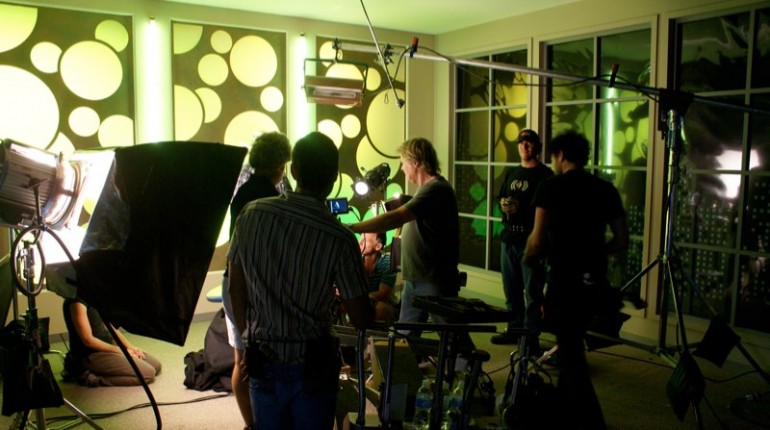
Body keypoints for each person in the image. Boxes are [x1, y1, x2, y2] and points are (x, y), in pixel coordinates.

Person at [228, 131, 374, 430]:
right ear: (333, 178)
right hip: (313, 364)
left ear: (293, 171)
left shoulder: (251, 215)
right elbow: (361, 318)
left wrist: (246, 336)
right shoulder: (340, 237)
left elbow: (234, 286)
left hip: (263, 356)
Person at [524, 131, 629, 430]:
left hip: (563, 279)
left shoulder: (550, 187)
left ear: (560, 156)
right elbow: (621, 240)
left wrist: (530, 258)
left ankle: (591, 422)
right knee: (571, 346)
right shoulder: (605, 189)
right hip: (593, 281)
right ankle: (565, 415)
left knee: (571, 355)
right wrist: (595, 252)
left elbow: (536, 241)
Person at [348, 137, 460, 335]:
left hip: (431, 278)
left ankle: (469, 357)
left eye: (403, 163)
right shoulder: (425, 191)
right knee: (405, 336)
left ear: (415, 162)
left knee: (451, 334)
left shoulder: (435, 189)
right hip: (416, 278)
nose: (402, 168)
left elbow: (397, 218)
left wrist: (353, 227)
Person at [223, 131, 291, 430]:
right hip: (252, 288)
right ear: (279, 163)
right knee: (260, 363)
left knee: (242, 359)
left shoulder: (244, 191)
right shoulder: (270, 198)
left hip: (233, 282)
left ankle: (250, 424)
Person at [492, 129, 553, 349]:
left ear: (537, 146)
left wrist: (522, 208)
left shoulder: (545, 175)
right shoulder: (512, 172)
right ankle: (514, 329)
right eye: (521, 142)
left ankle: (530, 338)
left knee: (533, 292)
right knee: (511, 290)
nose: (524, 145)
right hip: (509, 237)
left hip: (531, 239)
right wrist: (503, 204)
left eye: (529, 142)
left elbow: (549, 209)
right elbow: (501, 196)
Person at [63, 297, 162, 387]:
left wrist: (130, 347)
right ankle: (91, 378)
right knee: (148, 374)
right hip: (91, 354)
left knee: (156, 366)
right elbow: (88, 341)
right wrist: (122, 351)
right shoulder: (76, 303)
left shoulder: (93, 296)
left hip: (108, 347)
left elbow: (110, 326)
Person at [359, 232, 397, 322]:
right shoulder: (356, 262)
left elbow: (383, 294)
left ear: (378, 246)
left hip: (382, 304)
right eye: (360, 239)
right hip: (362, 301)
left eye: (365, 240)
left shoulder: (387, 261)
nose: (360, 242)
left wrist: (357, 299)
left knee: (380, 309)